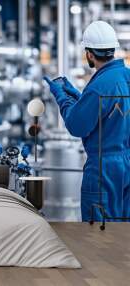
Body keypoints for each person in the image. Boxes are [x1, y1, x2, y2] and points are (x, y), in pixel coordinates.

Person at [44, 21, 130, 222]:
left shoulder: (99, 86)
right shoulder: (125, 77)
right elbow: (108, 111)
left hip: (104, 169)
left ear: (90, 54)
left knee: (98, 237)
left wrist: (61, 96)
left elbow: (77, 125)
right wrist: (79, 97)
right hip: (127, 163)